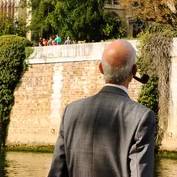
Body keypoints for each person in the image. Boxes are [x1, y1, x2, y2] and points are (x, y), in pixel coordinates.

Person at [47, 39, 156, 177]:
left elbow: (56, 172)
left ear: (101, 68)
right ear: (134, 71)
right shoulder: (141, 117)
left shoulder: (71, 112)